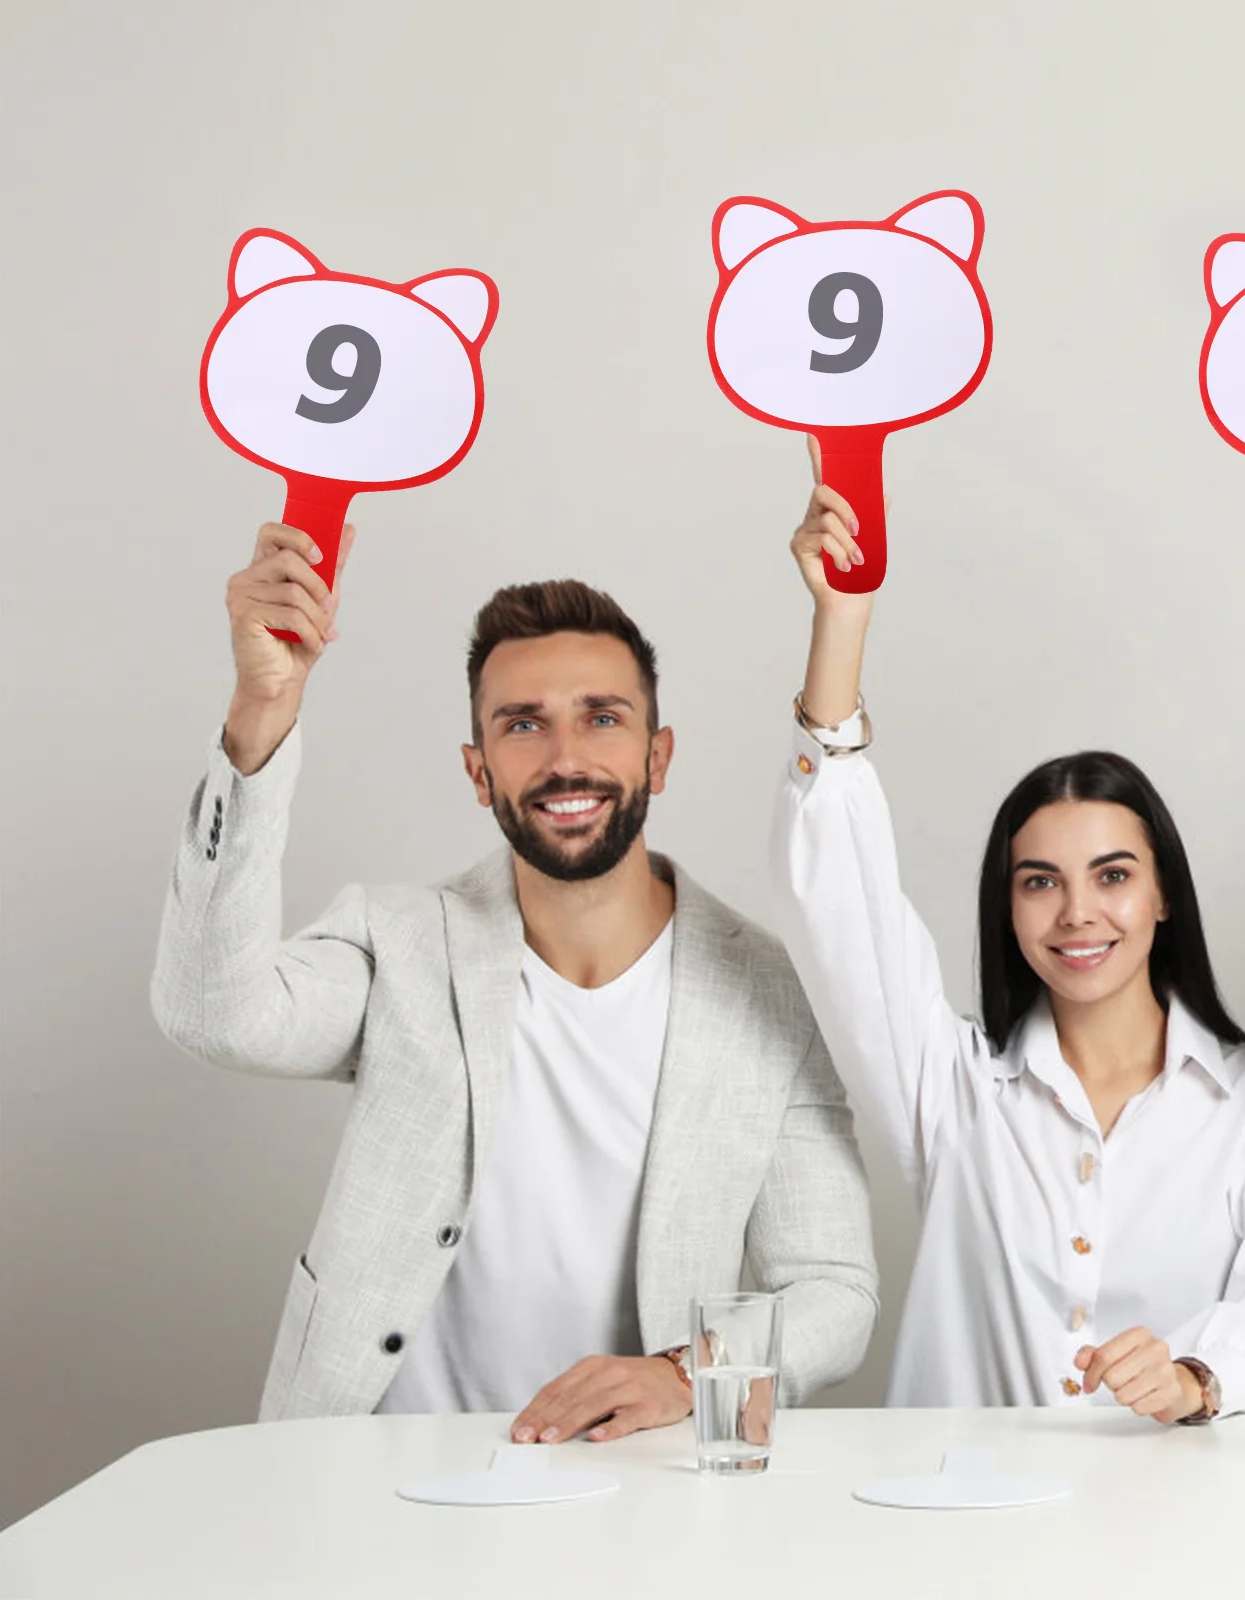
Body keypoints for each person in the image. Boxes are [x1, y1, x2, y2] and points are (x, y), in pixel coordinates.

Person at [151, 521, 877, 1442]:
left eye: (601, 717)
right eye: (522, 724)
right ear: (478, 771)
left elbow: (833, 1289)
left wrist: (686, 1373)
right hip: (372, 1480)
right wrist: (262, 709)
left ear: (657, 756)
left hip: (638, 1486)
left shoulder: (770, 989)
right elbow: (213, 1012)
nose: (565, 757)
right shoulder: (401, 940)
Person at [769, 445, 1245, 1420]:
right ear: (1007, 911)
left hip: (1182, 1548)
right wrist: (840, 620)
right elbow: (834, 900)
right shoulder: (954, 1092)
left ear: (1164, 895)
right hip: (967, 1544)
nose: (1076, 912)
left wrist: (1196, 1376)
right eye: (1038, 881)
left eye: (1112, 875)